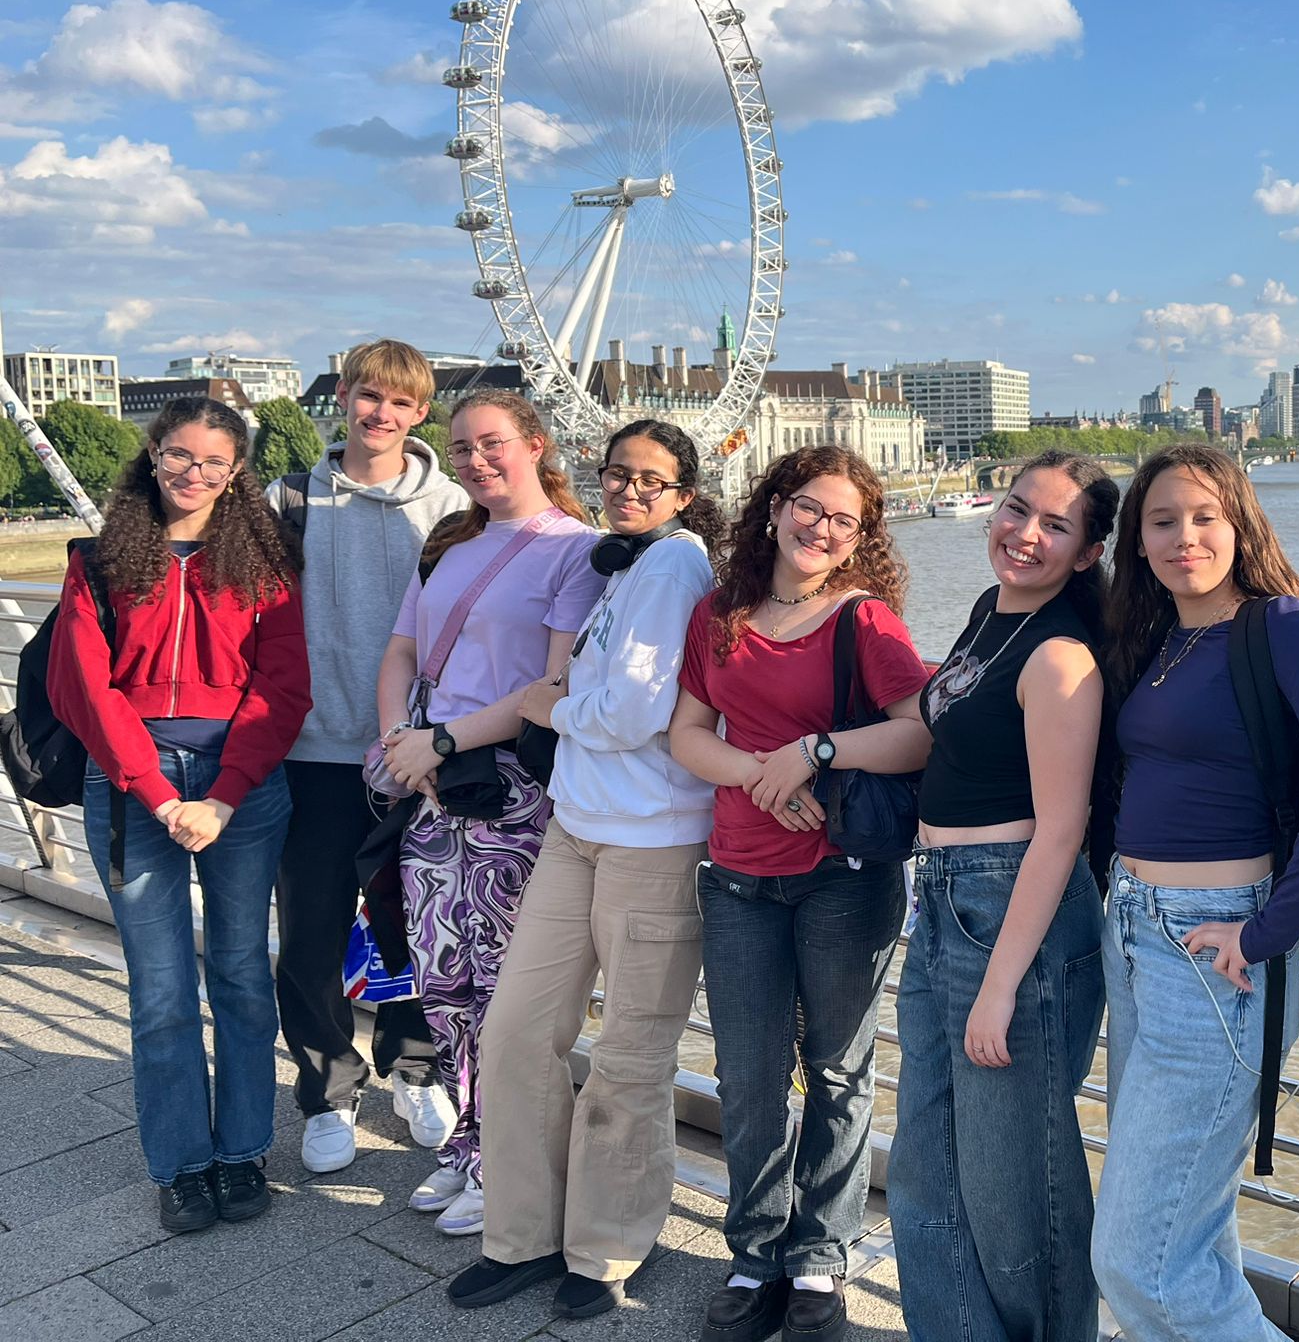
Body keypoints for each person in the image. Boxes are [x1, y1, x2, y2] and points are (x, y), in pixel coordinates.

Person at [1091, 442, 1299, 1342]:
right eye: (1163, 521)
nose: (1186, 537)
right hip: (1134, 935)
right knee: (1191, 1237)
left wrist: (1271, 929)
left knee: (1135, 1259)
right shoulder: (1161, 639)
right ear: (1136, 543)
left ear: (1240, 525)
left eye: (1205, 516)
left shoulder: (1276, 624)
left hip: (1215, 954)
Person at [445, 420, 721, 1320]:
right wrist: (570, 706)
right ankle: (523, 1232)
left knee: (631, 1058)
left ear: (685, 493)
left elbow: (636, 711)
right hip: (577, 828)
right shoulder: (626, 568)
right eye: (617, 474)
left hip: (654, 836)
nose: (629, 490)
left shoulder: (677, 564)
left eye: (651, 479)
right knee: (518, 1033)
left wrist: (548, 704)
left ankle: (605, 1249)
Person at [670, 446, 930, 1342]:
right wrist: (758, 773)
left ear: (862, 535)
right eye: (810, 509)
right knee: (747, 1077)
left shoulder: (867, 624)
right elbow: (687, 735)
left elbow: (917, 736)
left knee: (837, 1069)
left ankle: (820, 1258)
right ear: (776, 508)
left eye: (845, 519)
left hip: (842, 879)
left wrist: (816, 753)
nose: (823, 529)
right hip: (737, 874)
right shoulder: (721, 614)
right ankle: (755, 1252)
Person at [47, 398, 311, 1232]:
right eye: (179, 457)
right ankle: (180, 1163)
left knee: (238, 972)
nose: (194, 475)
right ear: (153, 455)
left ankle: (242, 1152)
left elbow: (283, 688)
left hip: (243, 787)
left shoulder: (266, 563)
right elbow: (85, 691)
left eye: (213, 463)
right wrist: (159, 795)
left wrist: (225, 794)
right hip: (133, 786)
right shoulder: (97, 561)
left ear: (236, 473)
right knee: (159, 988)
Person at [888, 450, 1117, 1342]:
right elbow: (926, 726)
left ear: (1089, 551)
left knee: (1017, 1179)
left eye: (1055, 525)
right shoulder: (992, 614)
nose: (1025, 534)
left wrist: (1000, 984)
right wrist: (815, 752)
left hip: (1011, 914)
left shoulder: (1062, 657)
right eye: (1018, 509)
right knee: (926, 1162)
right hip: (943, 897)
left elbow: (1061, 832)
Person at [372, 389, 605, 1237]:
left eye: (492, 443)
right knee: (444, 981)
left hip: (509, 792)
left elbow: (553, 687)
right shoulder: (452, 541)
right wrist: (401, 738)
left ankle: (511, 1159)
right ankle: (468, 1146)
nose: (475, 460)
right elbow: (402, 650)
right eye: (461, 447)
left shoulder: (575, 551)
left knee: (510, 992)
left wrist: (440, 740)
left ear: (535, 445)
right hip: (431, 790)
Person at [268, 339, 470, 1177]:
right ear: (343, 398)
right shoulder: (291, 499)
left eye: (398, 403)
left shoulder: (453, 504)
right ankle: (326, 1090)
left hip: (416, 755)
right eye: (366, 398)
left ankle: (414, 1066)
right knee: (311, 933)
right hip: (314, 749)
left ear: (421, 412)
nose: (379, 415)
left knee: (413, 927)